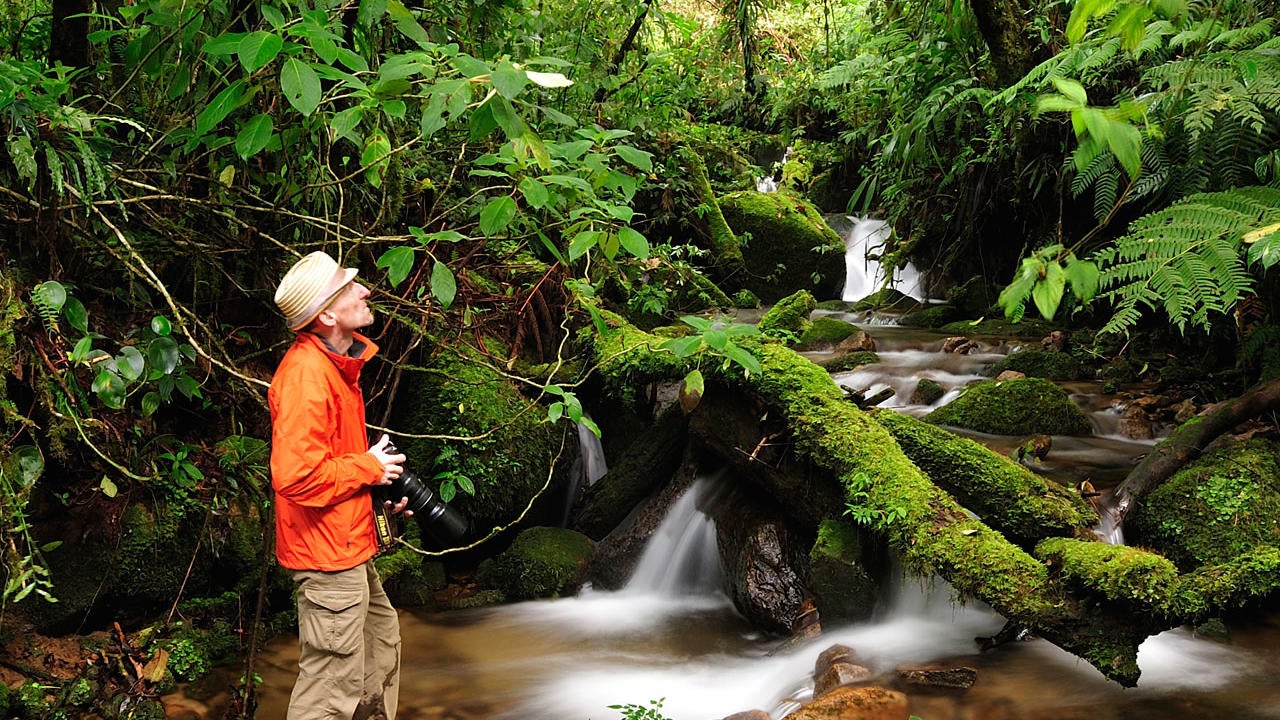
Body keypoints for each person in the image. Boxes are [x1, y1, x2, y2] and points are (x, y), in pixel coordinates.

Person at [268, 250, 410, 720]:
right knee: (331, 685)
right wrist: (370, 468)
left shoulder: (336, 368)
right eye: (350, 286)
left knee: (380, 641)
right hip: (327, 557)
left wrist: (379, 499)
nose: (365, 290)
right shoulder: (307, 376)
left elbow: (332, 463)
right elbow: (297, 477)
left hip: (346, 545)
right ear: (327, 314)